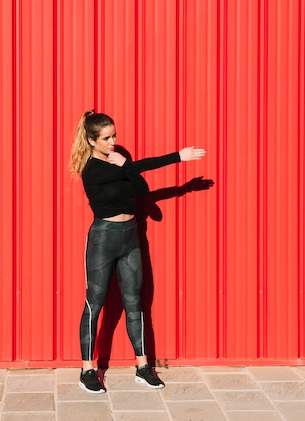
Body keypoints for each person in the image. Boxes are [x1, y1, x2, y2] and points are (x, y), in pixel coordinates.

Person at [68, 110, 206, 393]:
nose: (112, 142)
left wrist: (128, 167)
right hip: (103, 239)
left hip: (130, 238)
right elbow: (140, 169)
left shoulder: (119, 163)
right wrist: (176, 157)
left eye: (114, 136)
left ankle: (143, 367)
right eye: (106, 138)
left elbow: (142, 189)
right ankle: (87, 369)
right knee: (95, 303)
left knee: (135, 303)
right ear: (92, 140)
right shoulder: (92, 169)